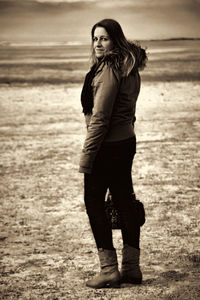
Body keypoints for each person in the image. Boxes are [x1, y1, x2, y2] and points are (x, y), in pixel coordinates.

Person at [79, 19, 147, 289]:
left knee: (93, 200)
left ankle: (109, 270)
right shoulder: (129, 66)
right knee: (123, 200)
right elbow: (127, 109)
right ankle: (131, 268)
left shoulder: (109, 68)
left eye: (104, 38)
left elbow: (101, 118)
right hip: (125, 141)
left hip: (107, 146)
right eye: (95, 38)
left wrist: (88, 154)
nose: (98, 43)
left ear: (115, 40)